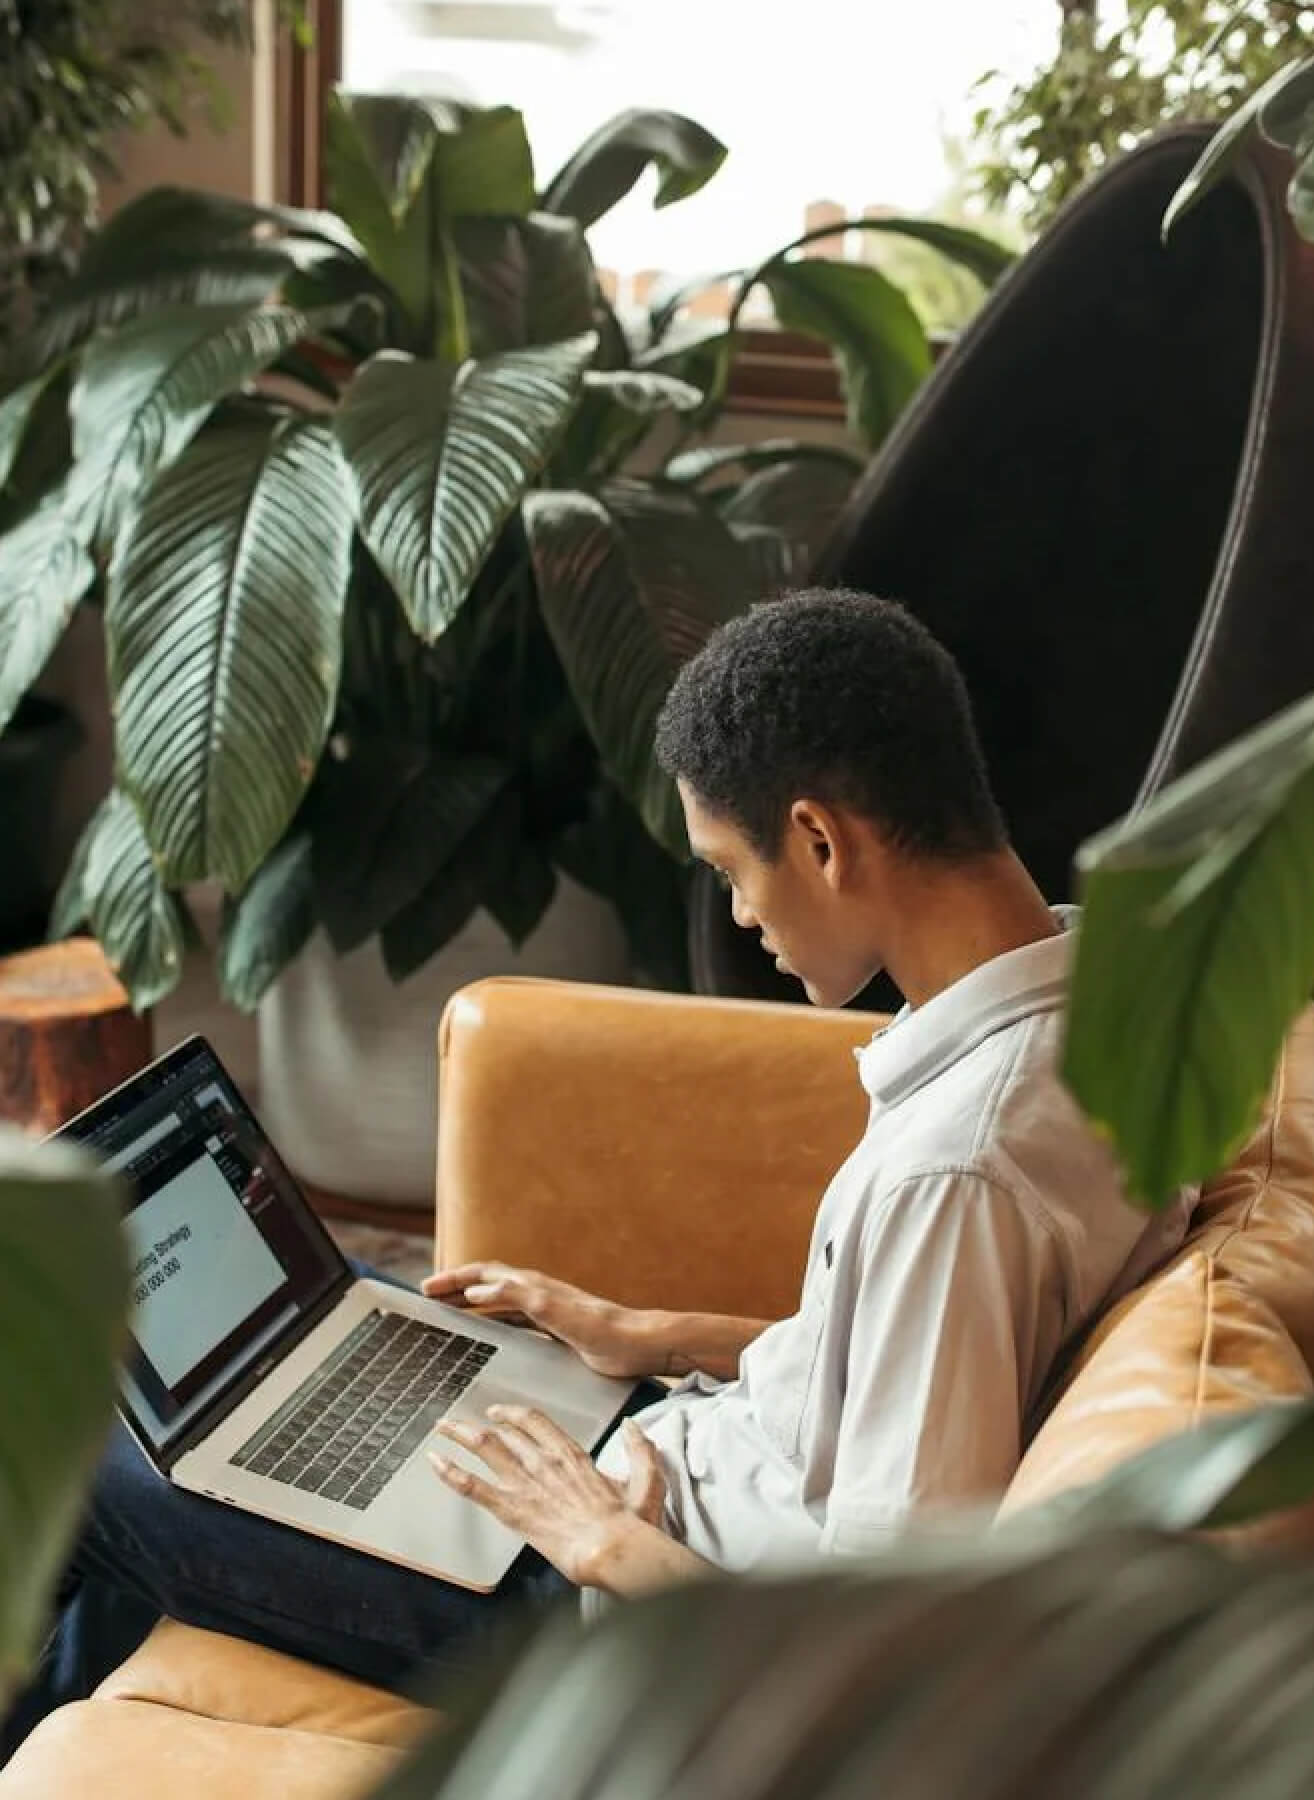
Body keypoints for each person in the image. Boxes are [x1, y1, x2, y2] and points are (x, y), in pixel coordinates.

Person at [4, 589, 1193, 1754]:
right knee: (334, 1324)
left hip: (600, 1596)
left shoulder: (959, 1175)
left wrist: (587, 1535)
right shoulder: (1099, 1001)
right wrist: (654, 1332)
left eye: (733, 868)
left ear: (822, 839)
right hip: (669, 1449)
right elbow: (897, 1365)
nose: (738, 916)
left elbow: (871, 1639)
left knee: (80, 1446)